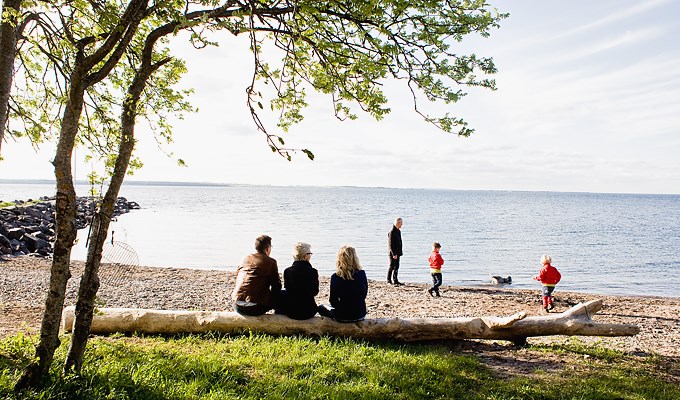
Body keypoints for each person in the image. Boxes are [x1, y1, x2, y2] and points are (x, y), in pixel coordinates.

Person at [231, 235, 282, 316]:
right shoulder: (271, 262)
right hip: (255, 308)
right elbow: (276, 286)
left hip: (236, 304)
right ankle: (279, 319)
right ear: (268, 248)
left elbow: (237, 276)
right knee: (281, 295)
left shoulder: (244, 258)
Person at [318, 246, 368, 322]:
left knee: (321, 308)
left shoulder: (335, 277)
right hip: (360, 314)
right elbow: (363, 294)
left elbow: (333, 300)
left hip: (342, 316)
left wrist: (341, 307)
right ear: (355, 258)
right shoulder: (361, 274)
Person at [277, 242, 320, 320]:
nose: (310, 256)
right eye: (310, 253)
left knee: (282, 292)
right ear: (305, 256)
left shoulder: (287, 271)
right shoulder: (313, 272)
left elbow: (288, 290)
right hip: (308, 311)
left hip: (291, 311)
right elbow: (315, 292)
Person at [387, 217, 404, 286]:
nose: (402, 225)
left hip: (398, 252)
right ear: (398, 223)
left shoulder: (398, 231)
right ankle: (388, 280)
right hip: (392, 253)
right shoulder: (392, 232)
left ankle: (395, 280)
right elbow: (390, 244)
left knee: (397, 266)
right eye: (401, 223)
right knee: (392, 266)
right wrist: (394, 254)